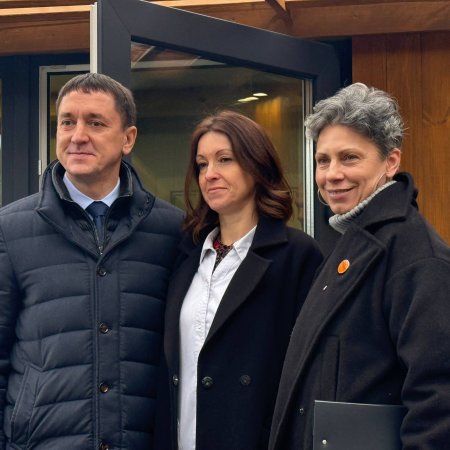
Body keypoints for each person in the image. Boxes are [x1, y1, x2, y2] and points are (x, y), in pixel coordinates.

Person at [0, 73, 183, 449]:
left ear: (128, 139)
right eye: (67, 122)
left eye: (96, 123)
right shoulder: (10, 228)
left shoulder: (172, 230)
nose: (78, 135)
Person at [269, 83, 450, 449]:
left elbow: (438, 399)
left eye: (349, 158)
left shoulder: (417, 257)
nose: (332, 174)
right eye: (323, 160)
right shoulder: (349, 242)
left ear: (391, 162)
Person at [153, 110, 323, 450]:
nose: (210, 174)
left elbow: (309, 377)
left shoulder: (297, 256)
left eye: (224, 160)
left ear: (257, 165)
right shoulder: (186, 255)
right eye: (202, 164)